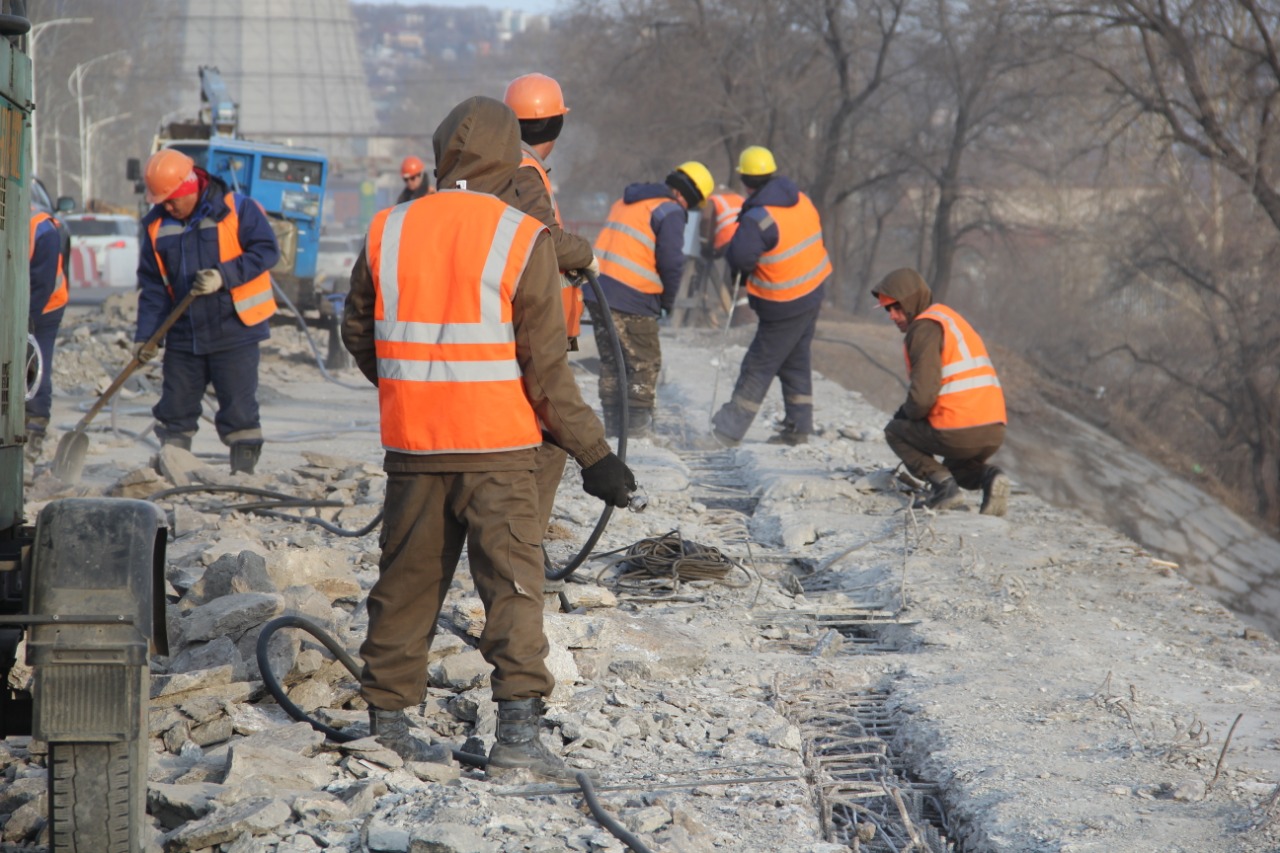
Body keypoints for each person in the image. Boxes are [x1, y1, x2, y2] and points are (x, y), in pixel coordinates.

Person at [341, 95, 636, 780]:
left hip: (414, 446)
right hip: (498, 449)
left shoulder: (387, 228)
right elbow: (547, 371)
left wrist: (408, 391)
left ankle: (386, 727)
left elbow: (359, 332)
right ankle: (518, 742)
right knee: (512, 586)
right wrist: (596, 455)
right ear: (511, 155)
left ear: (443, 153)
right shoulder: (519, 235)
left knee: (406, 582)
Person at [136, 148, 281, 474]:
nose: (166, 206)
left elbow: (267, 251)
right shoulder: (157, 226)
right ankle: (173, 473)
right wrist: (145, 337)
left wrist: (223, 276)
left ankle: (241, 480)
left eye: (171, 199)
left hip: (234, 329)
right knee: (175, 410)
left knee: (240, 412)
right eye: (161, 201)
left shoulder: (237, 210)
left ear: (189, 187)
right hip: (185, 335)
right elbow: (154, 288)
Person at [502, 72, 598, 537]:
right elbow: (545, 242)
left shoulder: (506, 166)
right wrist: (586, 254)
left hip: (524, 322)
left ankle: (520, 551)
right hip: (533, 328)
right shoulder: (523, 171)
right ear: (557, 126)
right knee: (550, 436)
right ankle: (524, 554)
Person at [711, 145, 831, 447]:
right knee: (795, 360)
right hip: (813, 290)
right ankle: (798, 428)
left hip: (784, 301)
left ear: (746, 181)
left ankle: (726, 432)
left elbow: (739, 259)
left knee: (758, 365)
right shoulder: (801, 199)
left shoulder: (758, 217)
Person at [586, 160, 714, 437]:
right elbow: (671, 263)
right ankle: (635, 433)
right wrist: (667, 302)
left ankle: (613, 429)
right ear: (688, 197)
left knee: (613, 362)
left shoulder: (629, 200)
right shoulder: (670, 211)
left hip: (597, 290)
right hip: (631, 295)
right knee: (644, 363)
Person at [872, 267, 1010, 516]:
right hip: (994, 430)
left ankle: (944, 490)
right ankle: (991, 477)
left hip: (958, 429)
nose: (892, 315)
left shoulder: (923, 329)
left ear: (912, 300)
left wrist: (905, 415)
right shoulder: (949, 320)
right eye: (887, 310)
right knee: (956, 468)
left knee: (895, 431)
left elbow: (923, 396)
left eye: (897, 307)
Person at [25, 208, 71, 462]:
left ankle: (33, 432)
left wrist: (21, 324)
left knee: (32, 362)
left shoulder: (41, 229)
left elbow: (41, 285)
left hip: (45, 305)